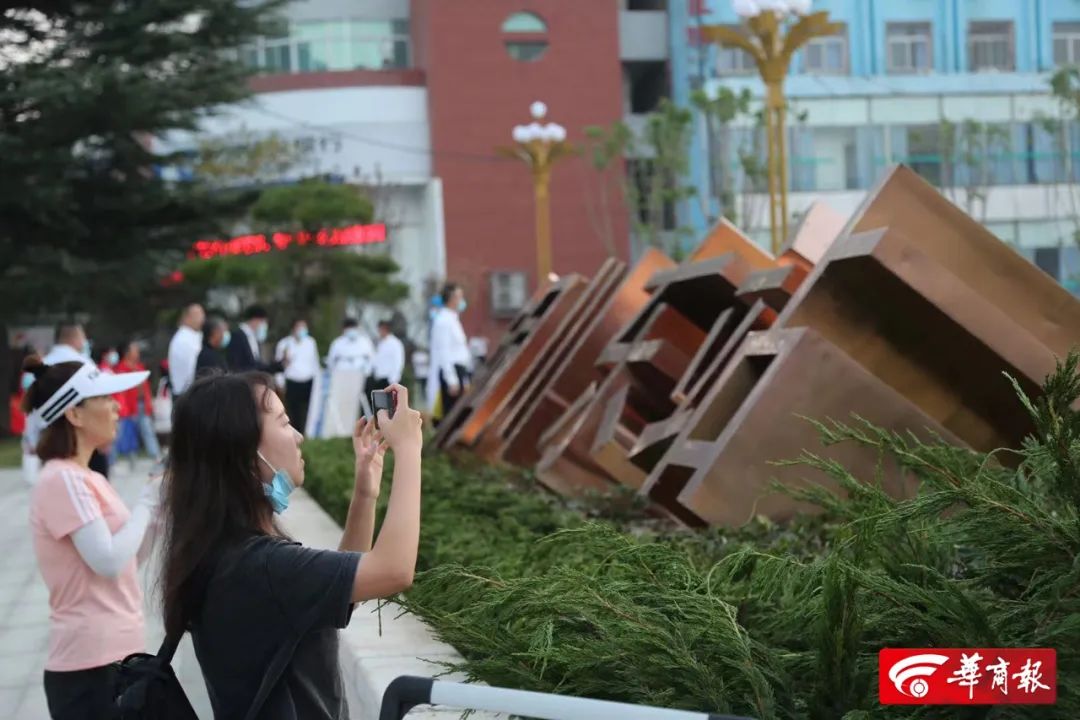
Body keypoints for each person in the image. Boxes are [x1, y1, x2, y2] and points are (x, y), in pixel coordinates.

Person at [159, 373, 422, 720]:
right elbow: (394, 570)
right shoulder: (263, 567)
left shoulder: (225, 552)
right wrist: (409, 449)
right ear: (244, 451)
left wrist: (365, 495)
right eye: (284, 423)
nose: (298, 436)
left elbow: (345, 588)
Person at [23, 356, 162, 720]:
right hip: (88, 668)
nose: (118, 407)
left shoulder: (89, 478)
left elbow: (129, 559)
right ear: (75, 414)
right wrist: (148, 502)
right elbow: (108, 561)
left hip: (116, 657)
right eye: (105, 399)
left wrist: (158, 513)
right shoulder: (62, 479)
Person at [43, 323, 111, 479]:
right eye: (83, 337)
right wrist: (103, 435)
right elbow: (98, 398)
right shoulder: (83, 363)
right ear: (75, 338)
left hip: (51, 437)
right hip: (82, 436)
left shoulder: (43, 365)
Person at [427, 283, 473, 423]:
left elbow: (461, 350)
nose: (461, 301)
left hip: (460, 371)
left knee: (460, 418)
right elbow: (443, 352)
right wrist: (451, 379)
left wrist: (465, 379)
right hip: (451, 372)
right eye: (459, 297)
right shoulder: (443, 321)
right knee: (450, 418)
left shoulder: (453, 319)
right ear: (452, 299)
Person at [320, 318, 374, 438]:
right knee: (342, 404)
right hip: (342, 378)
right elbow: (331, 362)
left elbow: (371, 360)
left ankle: (364, 431)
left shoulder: (365, 342)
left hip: (361, 378)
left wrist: (365, 373)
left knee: (361, 405)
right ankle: (341, 430)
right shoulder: (337, 343)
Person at [116, 341, 163, 464]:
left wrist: (149, 402)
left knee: (147, 430)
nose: (137, 353)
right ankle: (129, 458)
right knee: (128, 432)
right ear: (127, 353)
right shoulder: (121, 368)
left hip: (142, 404)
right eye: (135, 350)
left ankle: (155, 455)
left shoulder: (139, 367)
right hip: (129, 406)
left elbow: (146, 387)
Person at [277, 319, 320, 438]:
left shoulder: (311, 342)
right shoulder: (284, 344)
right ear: (293, 329)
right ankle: (292, 433)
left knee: (306, 409)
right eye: (299, 327)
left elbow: (315, 362)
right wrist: (280, 382)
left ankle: (305, 432)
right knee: (292, 409)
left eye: (304, 327)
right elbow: (278, 365)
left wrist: (317, 379)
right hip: (291, 381)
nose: (302, 330)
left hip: (307, 380)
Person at [227, 305, 286, 374]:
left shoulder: (253, 338)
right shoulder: (237, 336)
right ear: (255, 320)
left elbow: (256, 364)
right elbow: (237, 366)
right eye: (263, 322)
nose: (265, 325)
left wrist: (276, 366)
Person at [167, 304, 205, 397]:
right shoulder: (184, 339)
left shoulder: (191, 336)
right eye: (198, 315)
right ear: (187, 317)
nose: (202, 318)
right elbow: (192, 367)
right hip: (187, 393)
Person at [367, 320, 405, 397]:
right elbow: (376, 359)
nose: (379, 332)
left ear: (386, 329)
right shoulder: (380, 343)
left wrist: (394, 378)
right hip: (379, 377)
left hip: (389, 379)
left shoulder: (395, 343)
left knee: (389, 402)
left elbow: (398, 361)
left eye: (381, 329)